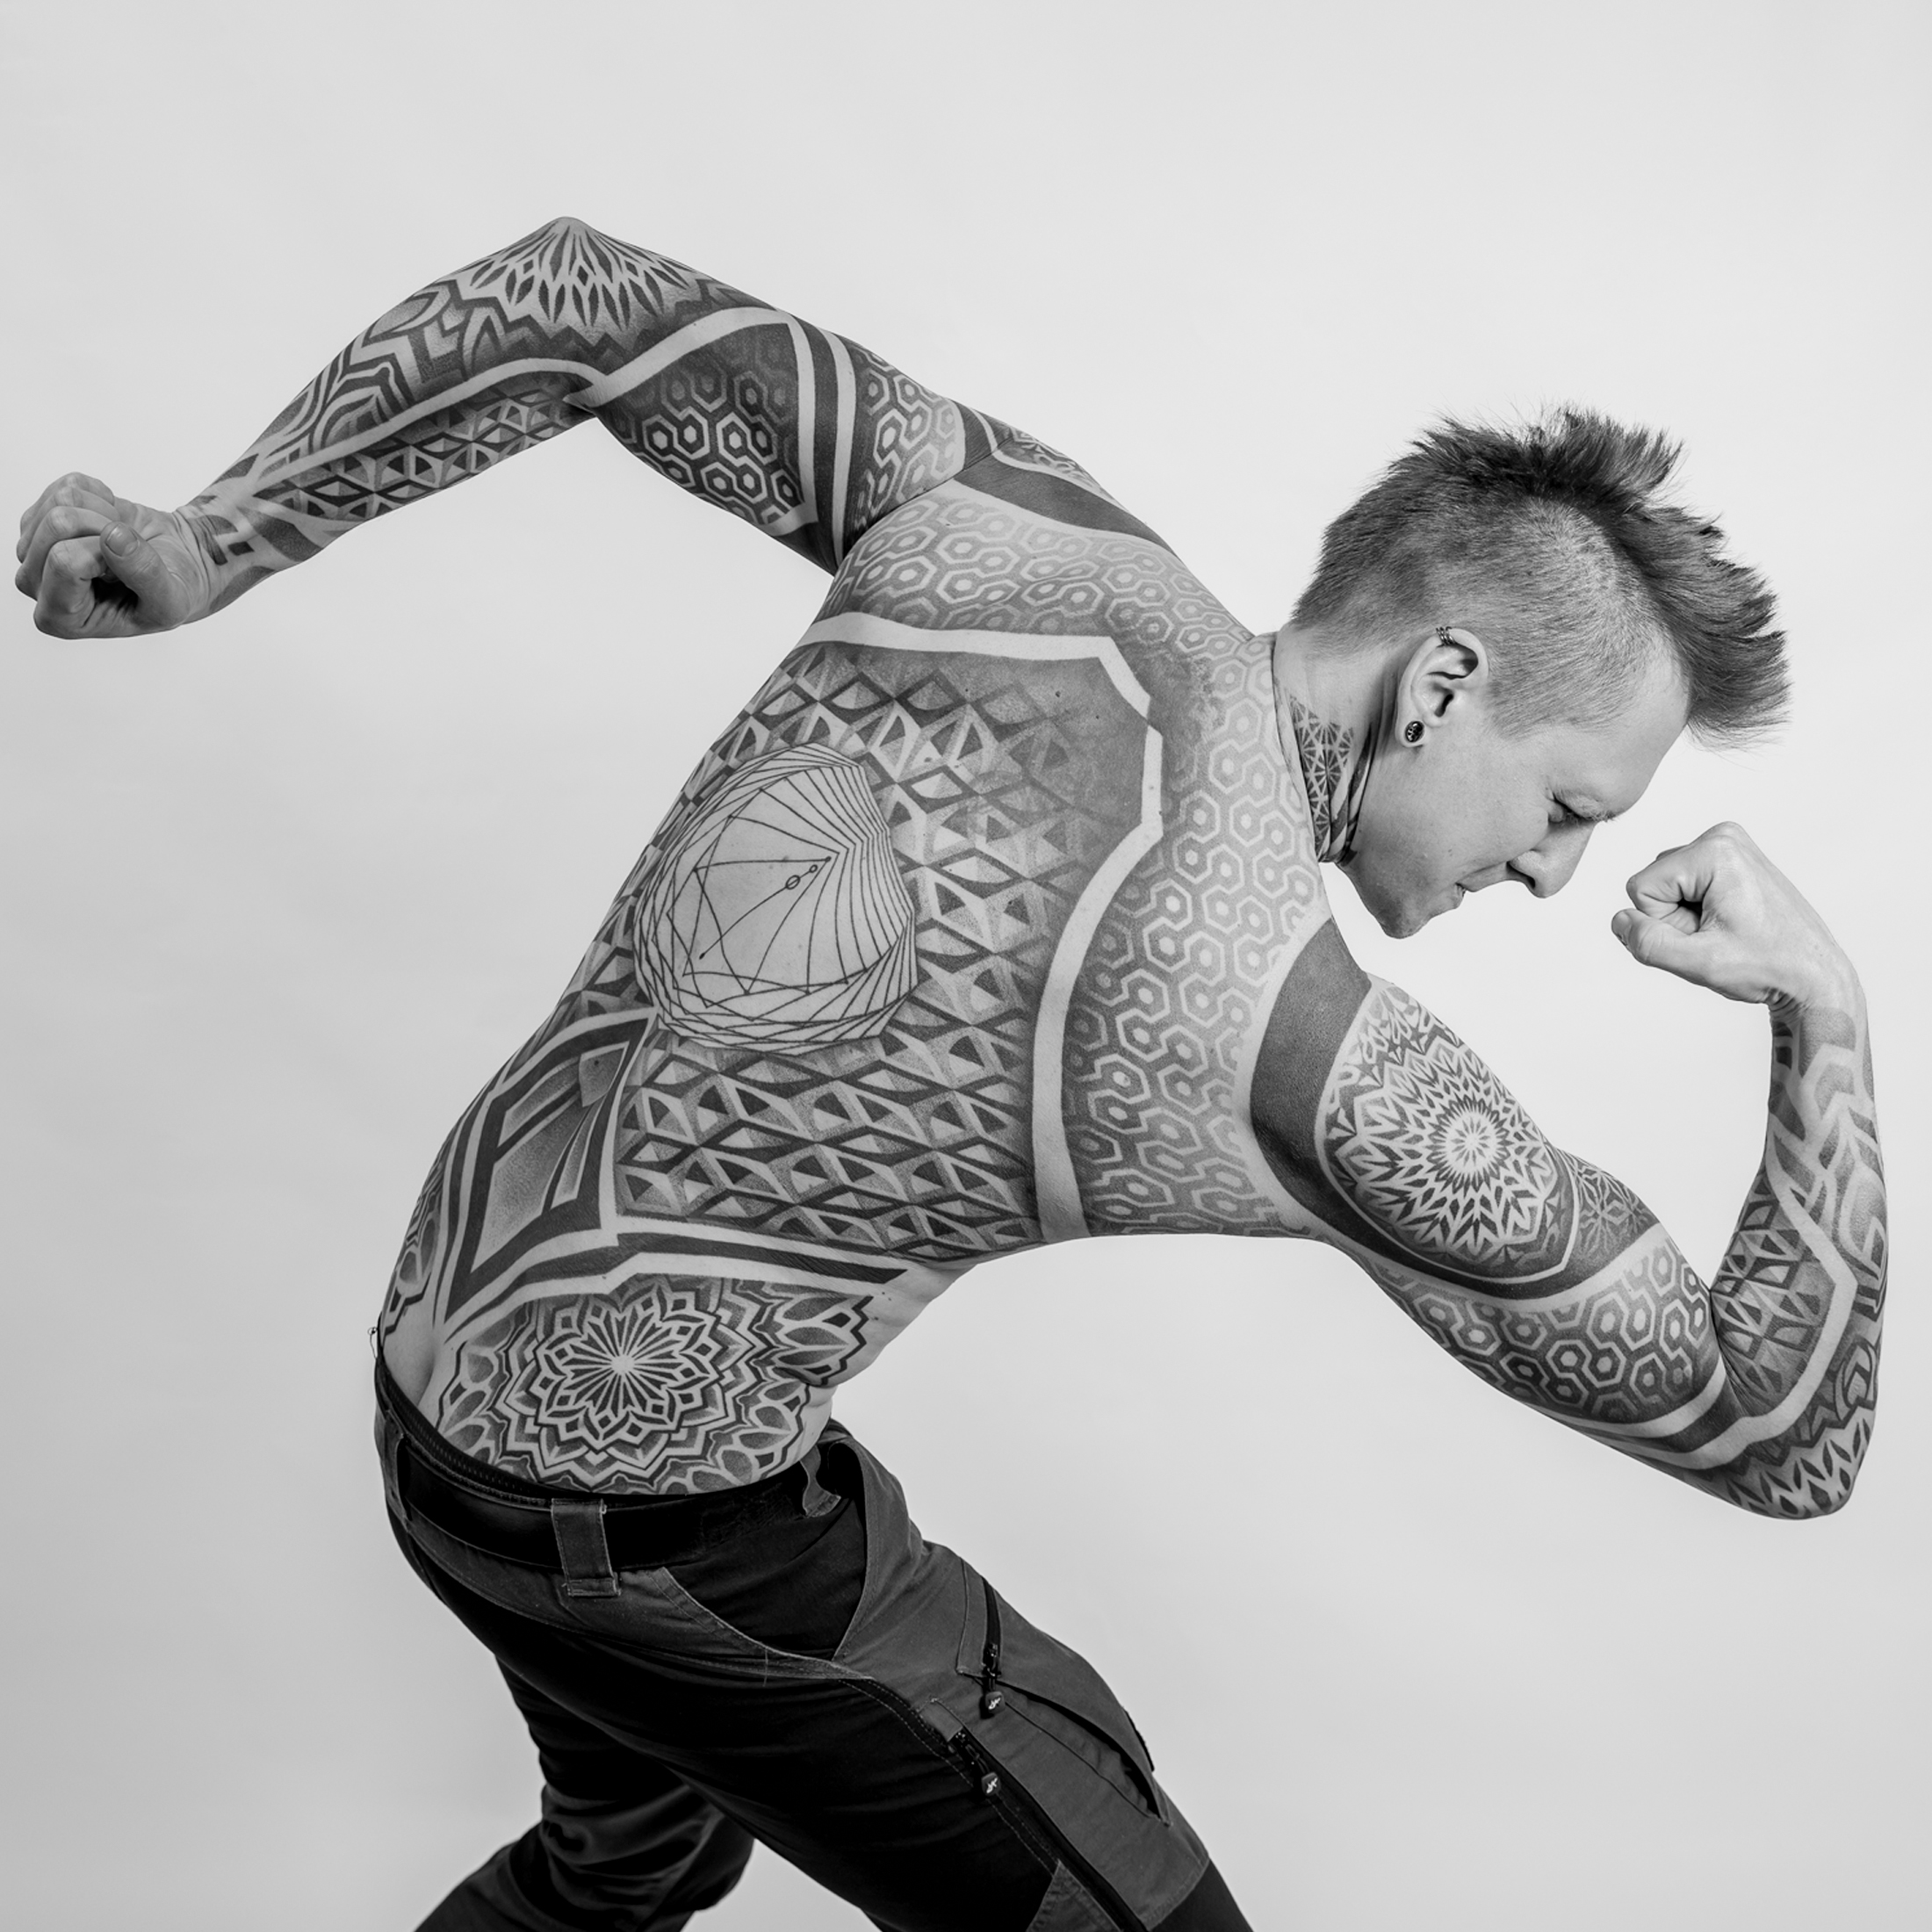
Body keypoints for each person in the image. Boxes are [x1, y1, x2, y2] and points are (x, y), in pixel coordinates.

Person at [15, 218, 1887, 1932]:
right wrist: (1822, 1004)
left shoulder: (1006, 526)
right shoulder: (1289, 1042)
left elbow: (581, 299)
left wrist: (214, 539)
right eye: (1564, 803)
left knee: (636, 1851)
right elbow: (1772, 1435)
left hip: (430, 1421)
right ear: (1442, 680)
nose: (1555, 870)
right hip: (645, 1541)